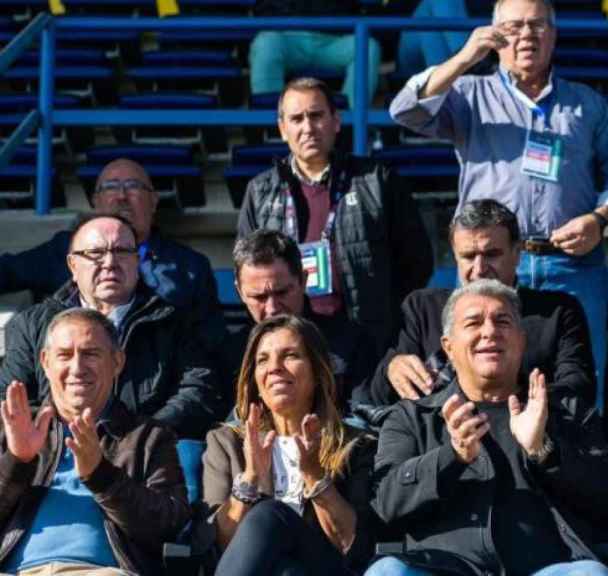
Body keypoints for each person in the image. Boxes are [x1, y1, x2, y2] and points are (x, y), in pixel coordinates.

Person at [390, 0, 608, 388]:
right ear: (493, 37)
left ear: (553, 35)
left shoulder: (587, 104)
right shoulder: (469, 95)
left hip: (570, 265)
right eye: (514, 26)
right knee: (479, 376)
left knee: (581, 379)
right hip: (490, 265)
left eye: (537, 25)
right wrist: (463, 58)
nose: (526, 35)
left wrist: (600, 219)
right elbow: (405, 110)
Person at [368, 279, 608, 576]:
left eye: (502, 321)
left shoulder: (565, 409)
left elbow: (607, 497)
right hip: (443, 569)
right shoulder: (412, 416)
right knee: (387, 572)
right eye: (473, 323)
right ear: (448, 347)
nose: (489, 331)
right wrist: (452, 456)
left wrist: (543, 451)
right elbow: (384, 504)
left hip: (545, 568)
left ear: (522, 340)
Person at [238, 77, 434, 351]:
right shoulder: (260, 191)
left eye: (316, 115)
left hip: (367, 342)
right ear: (283, 129)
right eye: (296, 119)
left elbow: (417, 261)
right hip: (293, 342)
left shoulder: (376, 180)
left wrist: (383, 317)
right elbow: (248, 269)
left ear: (336, 121)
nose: (307, 127)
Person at [0, 308, 190, 575]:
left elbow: (168, 526)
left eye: (90, 354)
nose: (77, 368)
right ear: (45, 361)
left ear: (117, 362)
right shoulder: (12, 425)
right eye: (64, 355)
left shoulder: (147, 437)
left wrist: (100, 475)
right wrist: (17, 461)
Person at [0, 214, 221, 439]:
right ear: (73, 266)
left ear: (137, 261)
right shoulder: (31, 325)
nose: (110, 263)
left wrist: (143, 436)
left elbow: (198, 390)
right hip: (56, 449)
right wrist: (54, 436)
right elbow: (11, 398)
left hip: (145, 453)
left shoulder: (174, 322)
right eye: (95, 253)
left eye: (122, 252)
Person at [369, 199, 594, 411]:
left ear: (517, 254)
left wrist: (507, 409)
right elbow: (379, 396)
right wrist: (391, 369)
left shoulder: (557, 312)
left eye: (491, 254)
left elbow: (578, 389)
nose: (479, 268)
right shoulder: (422, 309)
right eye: (468, 256)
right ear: (455, 256)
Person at [203, 315, 378, 576]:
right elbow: (221, 545)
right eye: (263, 360)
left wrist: (313, 474)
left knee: (270, 514)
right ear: (255, 380)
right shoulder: (227, 443)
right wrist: (250, 478)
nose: (275, 367)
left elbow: (351, 546)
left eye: (290, 355)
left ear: (318, 372)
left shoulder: (355, 446)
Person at [0, 158, 224, 350]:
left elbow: (209, 343)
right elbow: (8, 271)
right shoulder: (65, 249)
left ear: (154, 201)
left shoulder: (190, 267)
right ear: (95, 202)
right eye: (110, 187)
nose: (121, 195)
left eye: (133, 186)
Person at [223, 230, 377, 411]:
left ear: (304, 280)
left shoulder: (352, 342)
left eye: (282, 293)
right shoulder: (230, 353)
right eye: (259, 297)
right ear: (240, 292)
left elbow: (363, 416)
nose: (272, 308)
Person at [248, 1, 380, 109]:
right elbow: (263, 7)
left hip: (334, 37)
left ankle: (350, 126)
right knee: (266, 44)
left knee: (367, 46)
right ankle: (273, 127)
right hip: (285, 35)